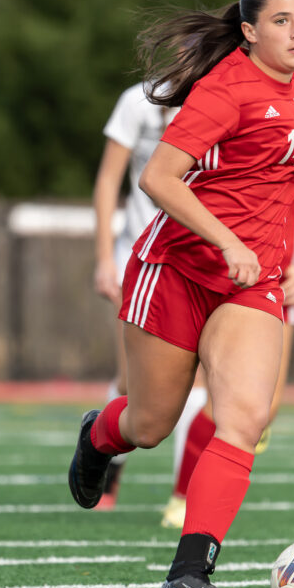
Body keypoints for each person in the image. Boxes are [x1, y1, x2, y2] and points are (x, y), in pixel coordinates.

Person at [68, 0, 294, 588]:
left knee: (244, 417)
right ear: (249, 32)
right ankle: (99, 437)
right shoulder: (223, 92)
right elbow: (158, 180)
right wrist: (226, 241)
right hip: (177, 272)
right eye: (282, 21)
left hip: (252, 283)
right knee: (152, 422)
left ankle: (188, 575)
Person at [161, 130, 294, 530]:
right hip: (222, 271)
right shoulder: (228, 110)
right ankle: (183, 497)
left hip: (279, 275)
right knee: (215, 404)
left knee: (263, 409)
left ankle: (203, 490)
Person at [90, 81, 209, 510]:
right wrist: (105, 258)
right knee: (132, 382)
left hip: (197, 259)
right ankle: (105, 463)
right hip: (139, 257)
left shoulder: (225, 99)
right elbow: (108, 181)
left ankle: (184, 496)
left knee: (197, 376)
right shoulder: (136, 102)